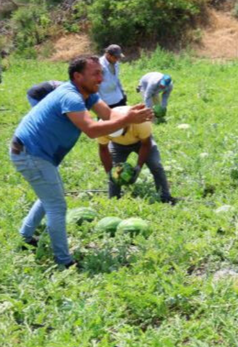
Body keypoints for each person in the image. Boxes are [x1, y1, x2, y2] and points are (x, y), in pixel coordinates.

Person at [10, 55, 154, 267]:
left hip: (39, 154)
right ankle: (64, 261)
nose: (101, 78)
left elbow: (108, 116)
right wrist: (127, 119)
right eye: (95, 74)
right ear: (78, 76)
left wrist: (128, 113)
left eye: (101, 73)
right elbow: (91, 130)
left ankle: (25, 238)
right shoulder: (71, 97)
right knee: (57, 206)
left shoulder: (89, 95)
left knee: (49, 196)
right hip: (30, 153)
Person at [97, 114, 176, 204]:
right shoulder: (102, 127)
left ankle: (165, 197)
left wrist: (138, 167)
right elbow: (103, 149)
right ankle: (114, 199)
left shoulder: (141, 122)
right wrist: (109, 172)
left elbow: (146, 145)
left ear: (126, 125)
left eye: (122, 133)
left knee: (155, 164)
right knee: (115, 172)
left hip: (141, 141)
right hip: (117, 145)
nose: (121, 136)